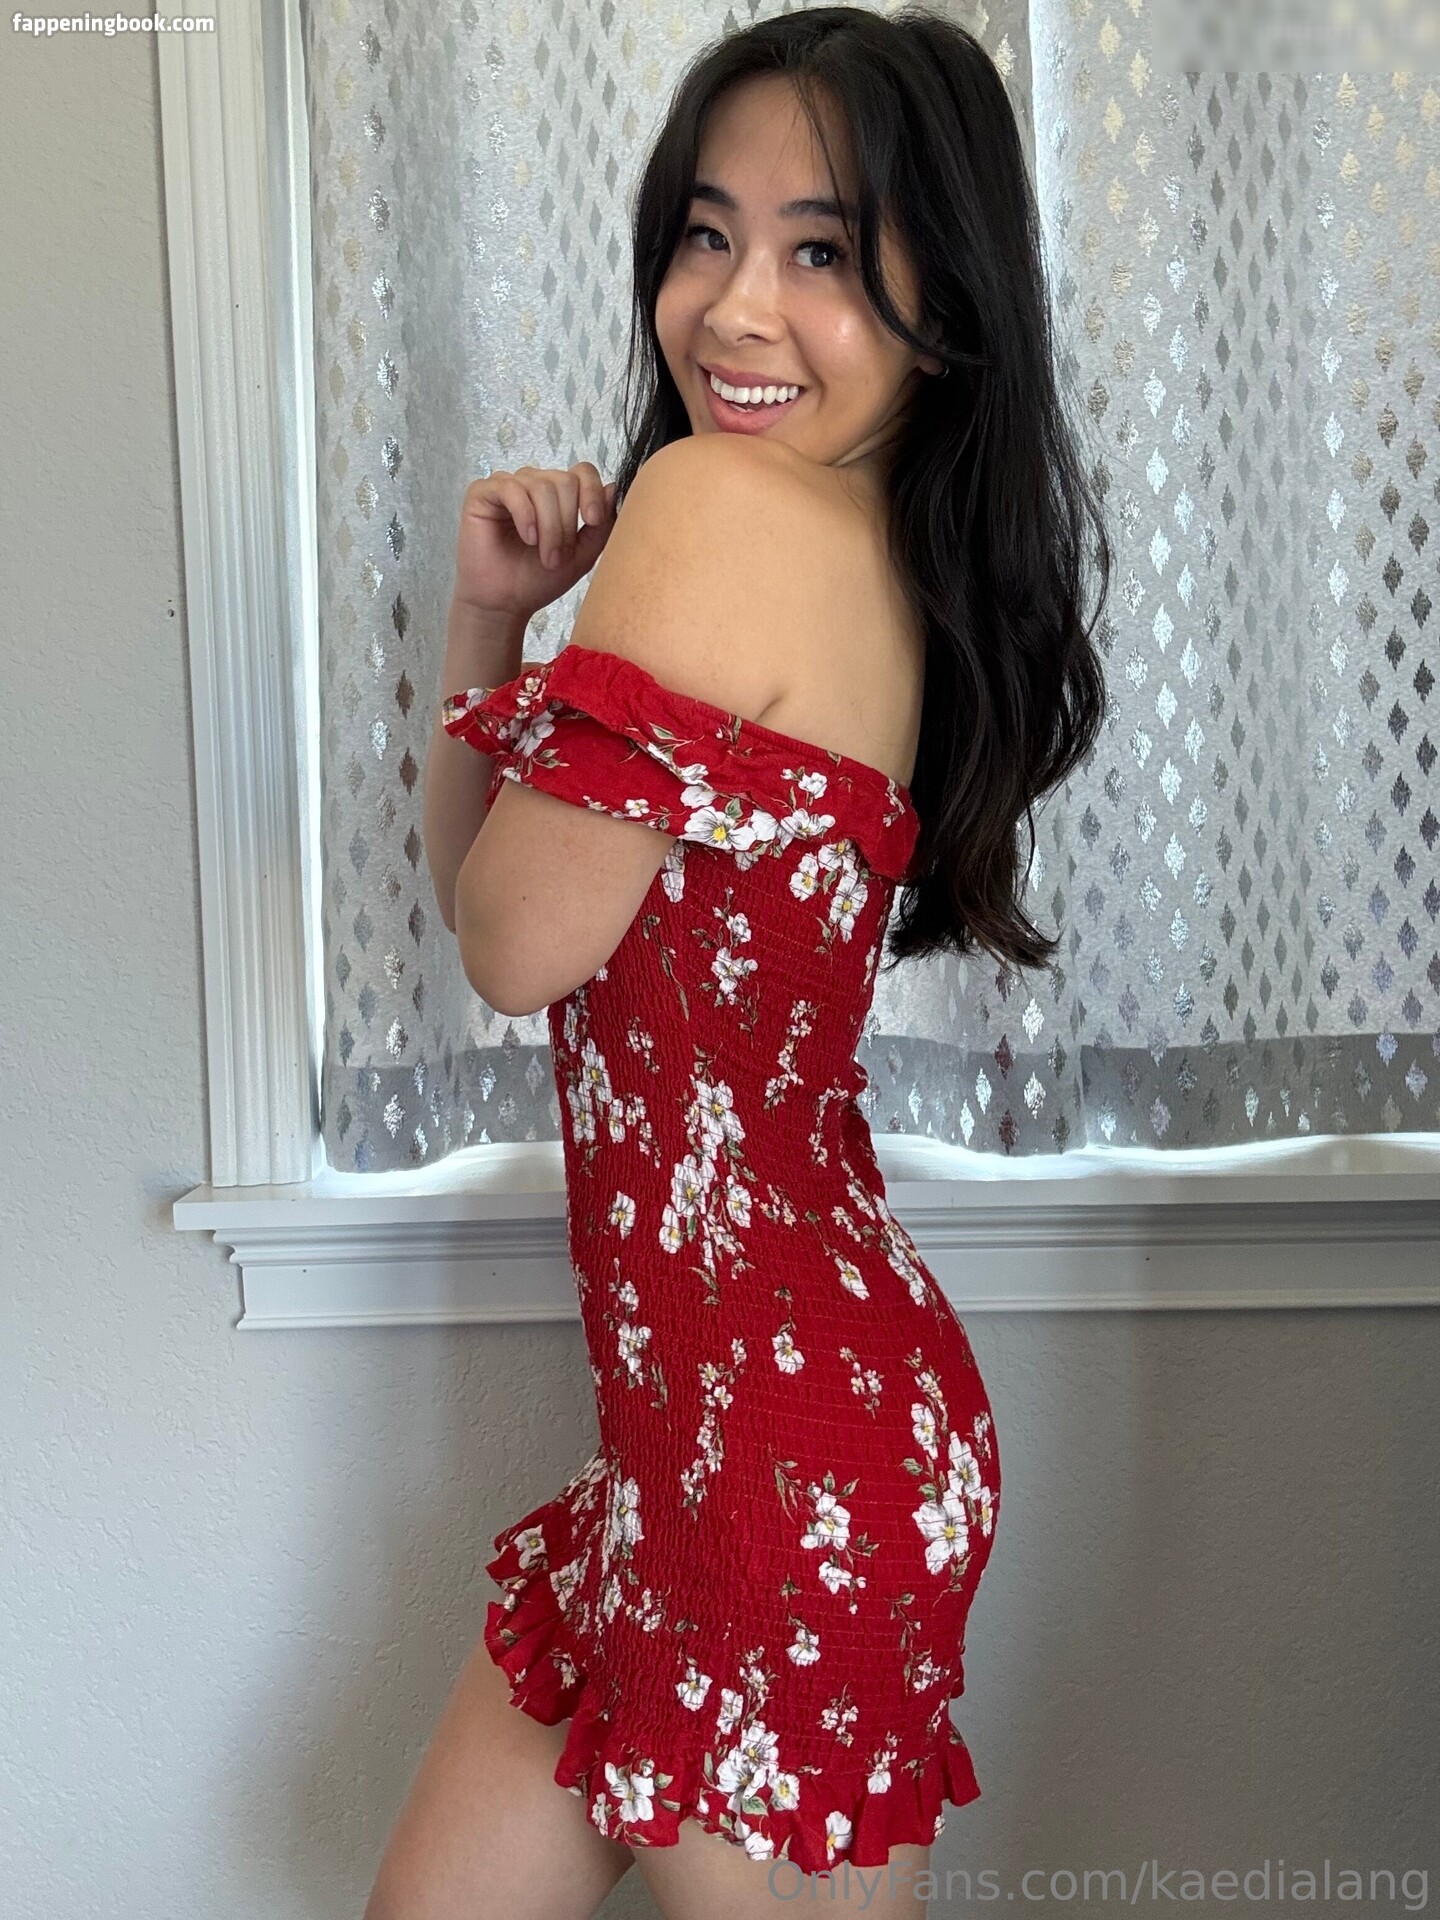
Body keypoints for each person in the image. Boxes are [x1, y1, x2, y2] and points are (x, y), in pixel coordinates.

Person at [372, 7, 1108, 1917]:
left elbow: (509, 944)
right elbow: (511, 921)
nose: (737, 307)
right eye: (707, 233)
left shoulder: (719, 508)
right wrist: (490, 620)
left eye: (823, 249)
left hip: (771, 1468)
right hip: (737, 1438)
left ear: (948, 308)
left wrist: (530, 651)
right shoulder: (880, 561)